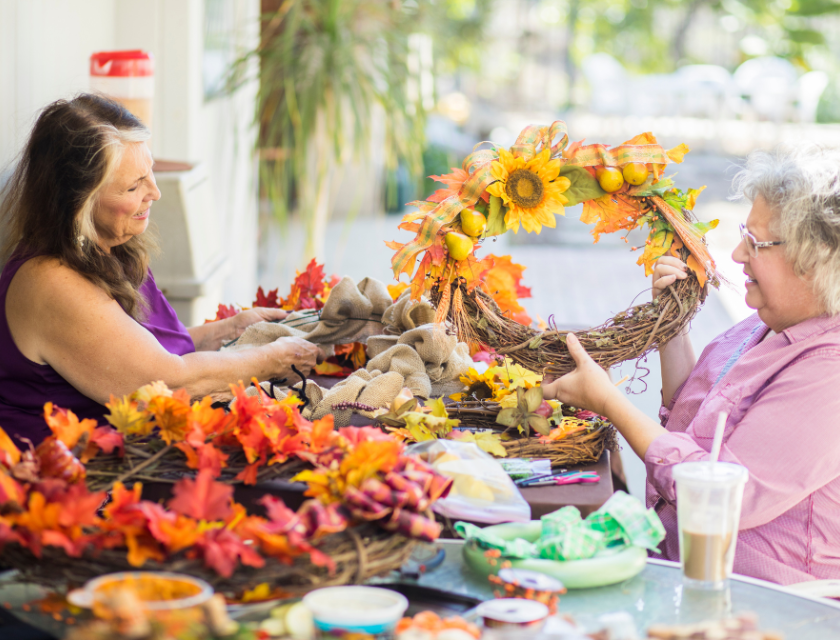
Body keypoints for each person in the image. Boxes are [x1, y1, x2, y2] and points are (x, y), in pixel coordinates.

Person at [542, 144, 840, 585]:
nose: (738, 254)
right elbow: (693, 415)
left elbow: (725, 491)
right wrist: (671, 327)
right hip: (680, 568)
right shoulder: (765, 323)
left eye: (756, 242)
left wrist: (609, 402)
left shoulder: (829, 373)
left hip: (760, 605)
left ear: (818, 261)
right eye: (744, 232)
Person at [0, 94, 322, 446]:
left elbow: (137, 348)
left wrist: (225, 330)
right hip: (74, 479)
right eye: (133, 185)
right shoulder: (52, 283)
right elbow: (167, 384)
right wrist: (273, 359)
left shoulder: (106, 244)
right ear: (78, 202)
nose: (154, 192)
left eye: (149, 171)